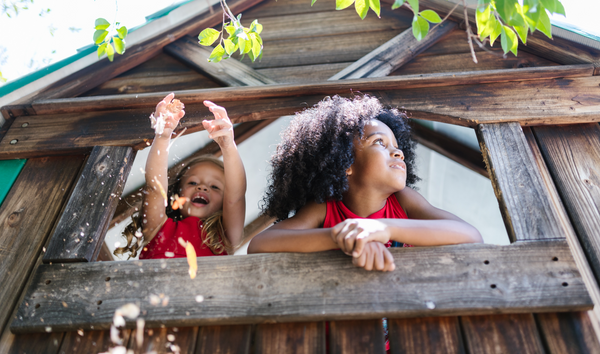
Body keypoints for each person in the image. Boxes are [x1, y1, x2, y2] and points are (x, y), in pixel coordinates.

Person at [248, 95, 482, 271]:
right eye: (379, 142)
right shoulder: (325, 209)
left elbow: (470, 235)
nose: (397, 153)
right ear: (345, 163)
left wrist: (382, 229)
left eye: (397, 147)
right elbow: (259, 244)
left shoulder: (404, 201)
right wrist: (343, 236)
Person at [114, 93, 246, 260]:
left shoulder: (224, 238)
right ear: (177, 192)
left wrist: (228, 145)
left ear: (225, 203)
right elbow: (155, 187)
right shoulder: (159, 228)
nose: (202, 187)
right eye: (193, 182)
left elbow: (236, 196)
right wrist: (162, 136)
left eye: (215, 187)